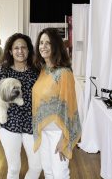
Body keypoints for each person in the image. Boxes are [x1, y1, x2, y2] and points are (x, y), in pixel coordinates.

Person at [0, 33, 42, 179]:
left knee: (36, 166)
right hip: (9, 125)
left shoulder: (37, 70)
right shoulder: (3, 70)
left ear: (29, 50)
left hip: (32, 124)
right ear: (10, 51)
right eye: (16, 48)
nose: (20, 51)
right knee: (14, 168)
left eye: (23, 47)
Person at [32, 27, 81, 179]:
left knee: (60, 174)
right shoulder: (43, 70)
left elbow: (69, 106)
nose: (43, 46)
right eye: (41, 43)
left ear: (56, 46)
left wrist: (64, 138)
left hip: (58, 133)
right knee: (48, 172)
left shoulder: (64, 73)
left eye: (48, 43)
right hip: (44, 131)